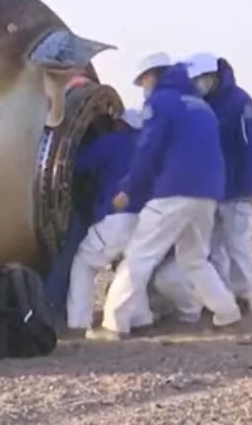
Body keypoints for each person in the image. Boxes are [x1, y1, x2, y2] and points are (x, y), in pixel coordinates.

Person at [88, 63, 242, 340]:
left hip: (174, 192)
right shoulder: (200, 106)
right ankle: (227, 312)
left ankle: (114, 324)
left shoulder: (161, 103)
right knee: (194, 258)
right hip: (208, 194)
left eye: (143, 81)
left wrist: (128, 189)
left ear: (151, 76)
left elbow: (149, 150)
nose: (143, 88)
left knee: (139, 256)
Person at [185, 52, 252, 313]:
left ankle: (244, 295)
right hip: (211, 190)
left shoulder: (239, 102)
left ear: (213, 76)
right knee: (213, 246)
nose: (198, 83)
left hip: (237, 190)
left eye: (201, 78)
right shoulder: (199, 103)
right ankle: (219, 297)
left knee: (236, 244)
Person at [65, 108, 149, 335]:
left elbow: (77, 163)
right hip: (145, 221)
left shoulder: (114, 142)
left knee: (84, 263)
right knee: (130, 268)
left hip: (116, 219)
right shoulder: (149, 148)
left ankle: (77, 322)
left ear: (121, 124)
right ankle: (140, 319)